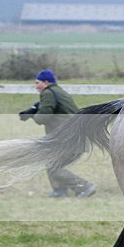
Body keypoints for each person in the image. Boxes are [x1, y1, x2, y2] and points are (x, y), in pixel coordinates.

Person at [19, 69, 96, 198]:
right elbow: (46, 107)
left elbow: (42, 118)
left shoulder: (48, 93)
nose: (35, 86)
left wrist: (32, 115)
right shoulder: (58, 91)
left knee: (54, 168)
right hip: (74, 137)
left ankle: (84, 186)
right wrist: (32, 110)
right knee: (51, 163)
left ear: (46, 82)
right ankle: (59, 191)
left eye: (37, 82)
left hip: (69, 139)